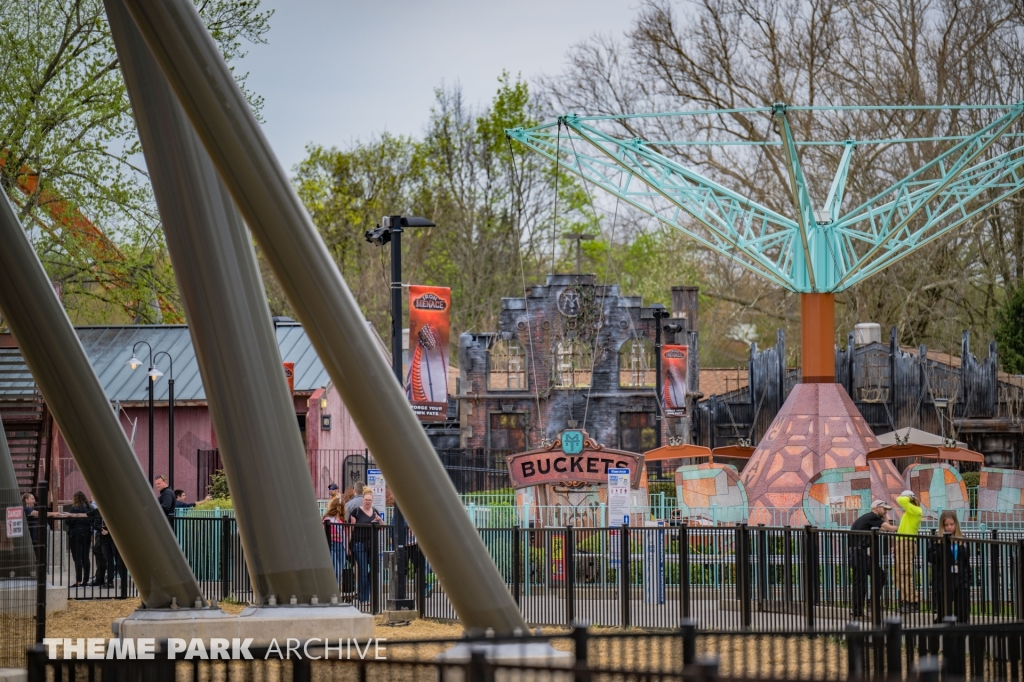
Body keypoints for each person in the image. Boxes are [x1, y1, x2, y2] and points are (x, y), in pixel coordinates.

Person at [849, 500, 897, 617]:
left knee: (879, 575)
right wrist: (905, 527)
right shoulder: (872, 517)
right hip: (858, 554)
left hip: (860, 554)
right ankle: (857, 612)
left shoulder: (871, 519)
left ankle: (871, 602)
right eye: (884, 509)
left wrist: (884, 515)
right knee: (860, 584)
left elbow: (885, 529)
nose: (885, 512)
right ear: (876, 508)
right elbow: (891, 529)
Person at [927, 510, 971, 623]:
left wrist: (967, 579)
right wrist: (944, 544)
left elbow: (966, 560)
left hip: (960, 579)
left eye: (951, 524)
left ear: (956, 524)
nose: (949, 527)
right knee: (944, 614)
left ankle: (961, 635)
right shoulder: (935, 541)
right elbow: (932, 559)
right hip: (943, 580)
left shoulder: (963, 540)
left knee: (962, 613)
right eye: (946, 525)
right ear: (942, 526)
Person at [347, 490, 383, 603]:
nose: (368, 502)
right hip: (359, 544)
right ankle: (364, 598)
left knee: (374, 570)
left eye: (369, 500)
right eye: (366, 500)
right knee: (362, 571)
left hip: (372, 545)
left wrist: (379, 520)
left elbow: (382, 527)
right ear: (362, 500)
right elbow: (349, 529)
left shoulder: (375, 511)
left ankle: (370, 596)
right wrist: (348, 544)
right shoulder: (356, 511)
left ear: (372, 501)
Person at [895, 489, 924, 613]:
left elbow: (900, 499)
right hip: (902, 543)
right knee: (899, 576)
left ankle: (913, 602)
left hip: (906, 544)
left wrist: (909, 497)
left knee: (905, 574)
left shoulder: (916, 511)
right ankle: (906, 600)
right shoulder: (909, 512)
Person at [65, 491, 93, 587]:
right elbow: (93, 520)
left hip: (76, 534)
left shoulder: (74, 508)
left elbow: (68, 522)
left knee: (77, 558)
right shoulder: (90, 508)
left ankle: (78, 581)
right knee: (85, 557)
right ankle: (85, 581)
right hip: (87, 534)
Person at [322, 497, 346, 584]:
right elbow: (323, 534)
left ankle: (337, 592)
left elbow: (345, 535)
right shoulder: (327, 519)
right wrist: (336, 535)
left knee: (340, 572)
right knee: (336, 570)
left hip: (341, 546)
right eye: (340, 506)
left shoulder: (342, 520)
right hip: (332, 545)